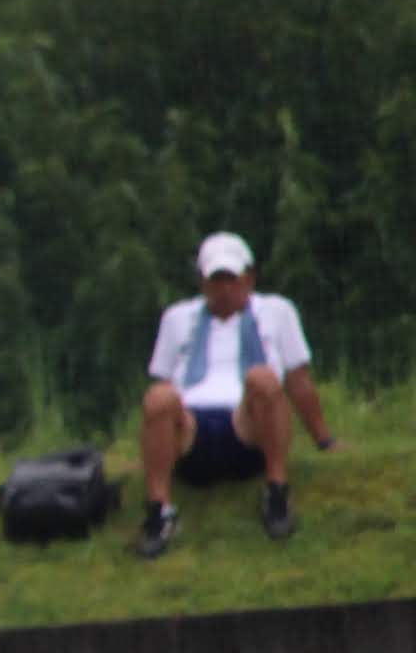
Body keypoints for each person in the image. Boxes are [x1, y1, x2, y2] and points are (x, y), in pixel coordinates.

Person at [134, 230, 335, 557]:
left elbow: (298, 382)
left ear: (250, 278)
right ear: (202, 282)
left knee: (262, 378)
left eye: (232, 280)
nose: (225, 290)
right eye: (216, 281)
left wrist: (323, 439)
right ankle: (159, 509)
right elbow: (161, 387)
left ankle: (276, 490)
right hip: (192, 425)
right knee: (159, 397)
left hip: (248, 422)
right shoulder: (177, 318)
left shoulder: (277, 311)